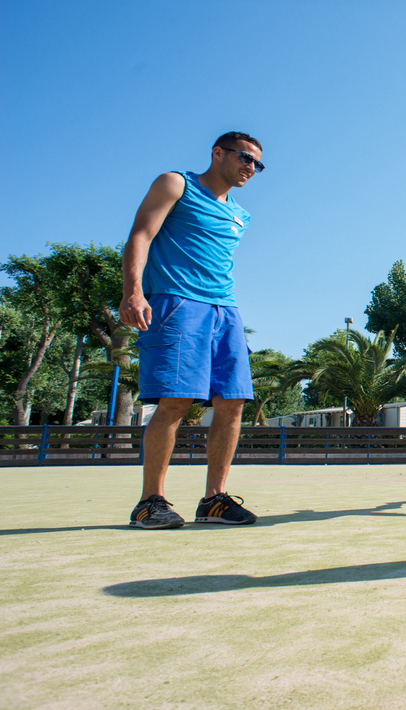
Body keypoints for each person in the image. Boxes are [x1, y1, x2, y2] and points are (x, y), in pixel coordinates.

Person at [119, 132, 265, 529]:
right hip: (176, 301)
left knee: (232, 402)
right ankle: (151, 501)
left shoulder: (241, 214)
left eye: (257, 164)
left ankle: (213, 499)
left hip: (225, 309)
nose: (250, 168)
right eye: (244, 158)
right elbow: (141, 235)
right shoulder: (175, 183)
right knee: (176, 401)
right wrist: (133, 292)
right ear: (218, 153)